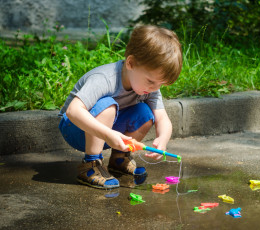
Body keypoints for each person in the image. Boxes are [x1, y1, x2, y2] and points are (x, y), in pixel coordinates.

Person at [58, 25, 183, 189]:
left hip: (107, 132)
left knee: (145, 114)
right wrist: (108, 134)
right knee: (108, 106)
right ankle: (90, 165)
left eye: (160, 84)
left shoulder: (149, 87)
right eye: (151, 81)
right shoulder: (104, 78)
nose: (154, 88)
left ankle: (119, 159)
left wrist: (163, 138)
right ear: (131, 63)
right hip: (75, 128)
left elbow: (162, 118)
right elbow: (73, 111)